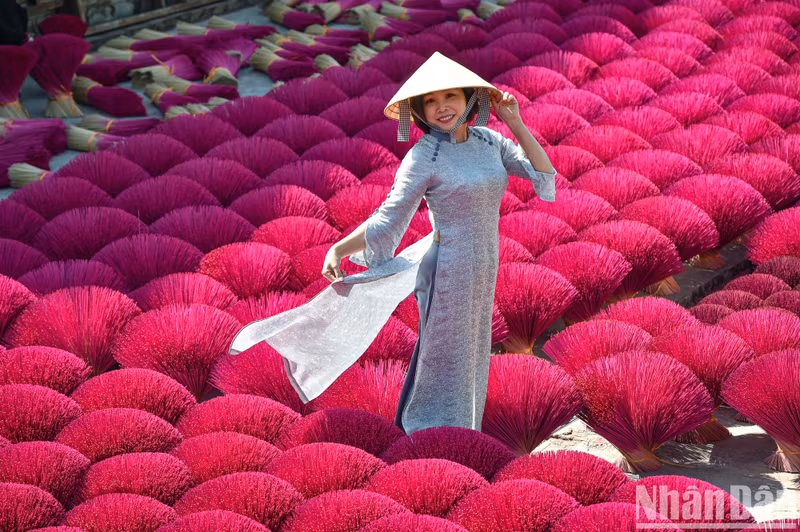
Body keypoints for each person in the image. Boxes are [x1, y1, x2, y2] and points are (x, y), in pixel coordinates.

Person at [228, 51, 557, 435]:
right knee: (443, 355)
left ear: (469, 96)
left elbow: (543, 176)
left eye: (449, 96)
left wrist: (514, 121)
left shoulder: (489, 141)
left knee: (472, 354)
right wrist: (339, 249)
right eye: (429, 102)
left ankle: (463, 431)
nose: (441, 108)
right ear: (418, 112)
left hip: (484, 266)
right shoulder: (423, 156)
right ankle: (427, 434)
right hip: (447, 268)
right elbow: (390, 216)